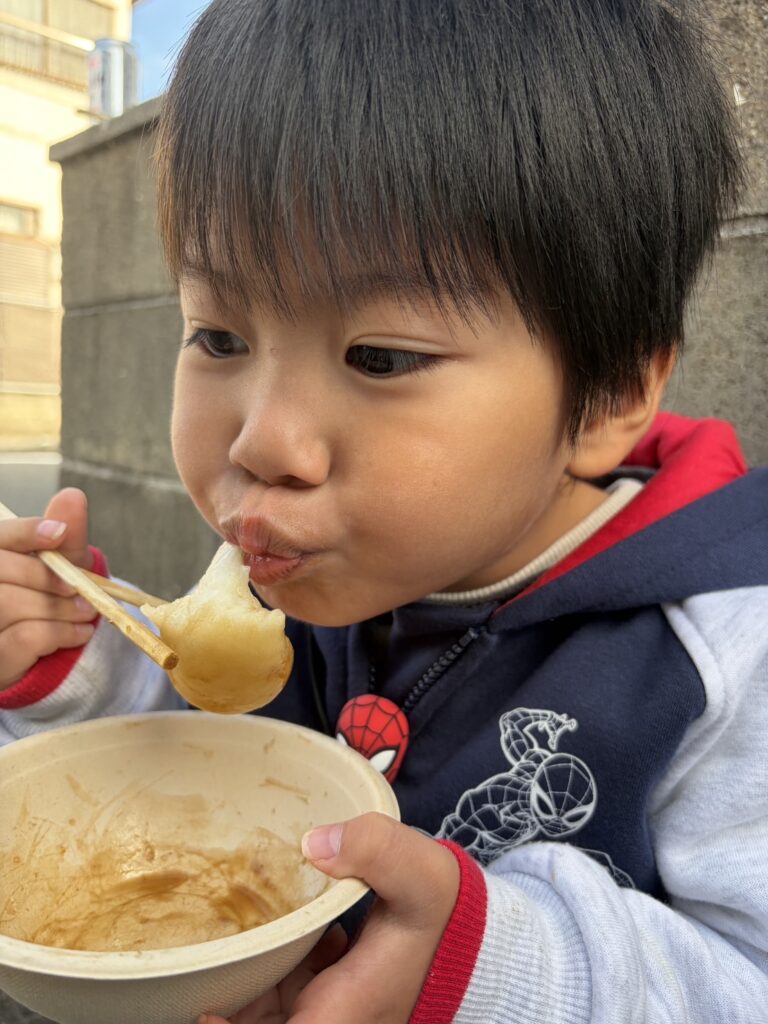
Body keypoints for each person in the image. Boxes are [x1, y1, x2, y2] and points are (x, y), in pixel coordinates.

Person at [1, 0, 767, 1020]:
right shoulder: (316, 562)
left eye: (380, 357)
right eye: (219, 336)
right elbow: (215, 758)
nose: (260, 442)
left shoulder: (722, 658)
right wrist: (79, 673)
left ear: (612, 394)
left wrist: (481, 963)